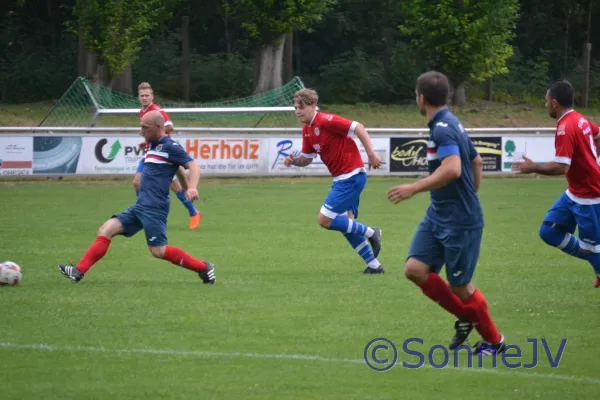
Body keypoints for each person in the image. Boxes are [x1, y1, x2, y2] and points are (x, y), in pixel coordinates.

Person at [387, 71, 505, 355]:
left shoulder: (443, 127)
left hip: (459, 220)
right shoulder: (449, 123)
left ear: (421, 98)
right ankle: (465, 316)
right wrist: (466, 197)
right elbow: (476, 162)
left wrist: (414, 188)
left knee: (460, 285)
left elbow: (453, 169)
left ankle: (494, 341)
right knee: (415, 269)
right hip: (439, 214)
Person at [58, 110, 215, 284]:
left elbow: (193, 166)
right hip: (141, 206)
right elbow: (177, 168)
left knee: (158, 251)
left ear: (158, 127)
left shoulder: (171, 146)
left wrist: (192, 188)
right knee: (106, 229)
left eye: (144, 127)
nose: (141, 131)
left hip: (155, 208)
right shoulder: (154, 145)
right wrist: (185, 188)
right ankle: (78, 271)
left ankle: (204, 268)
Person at [284, 88, 384, 274]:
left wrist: (370, 154)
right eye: (295, 107)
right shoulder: (307, 130)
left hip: (351, 176)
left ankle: (372, 232)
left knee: (324, 219)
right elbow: (307, 159)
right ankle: (374, 266)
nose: (298, 111)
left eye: (302, 107)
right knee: (347, 225)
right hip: (343, 179)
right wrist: (294, 161)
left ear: (313, 106)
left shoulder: (326, 121)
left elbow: (358, 127)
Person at [512, 80, 600, 288]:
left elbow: (562, 167)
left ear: (554, 103)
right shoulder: (579, 119)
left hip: (589, 196)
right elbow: (598, 135)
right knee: (548, 231)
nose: (545, 105)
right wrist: (592, 158)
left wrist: (532, 167)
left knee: (589, 249)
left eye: (545, 101)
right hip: (574, 193)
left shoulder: (566, 127)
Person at [135, 82, 202, 230]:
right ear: (138, 97)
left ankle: (193, 212)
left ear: (152, 96)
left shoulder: (157, 111)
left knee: (179, 187)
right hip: (152, 151)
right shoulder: (142, 111)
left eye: (147, 95)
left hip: (164, 153)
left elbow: (170, 126)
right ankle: (144, 213)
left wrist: (150, 131)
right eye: (142, 96)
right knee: (137, 183)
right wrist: (145, 141)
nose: (145, 98)